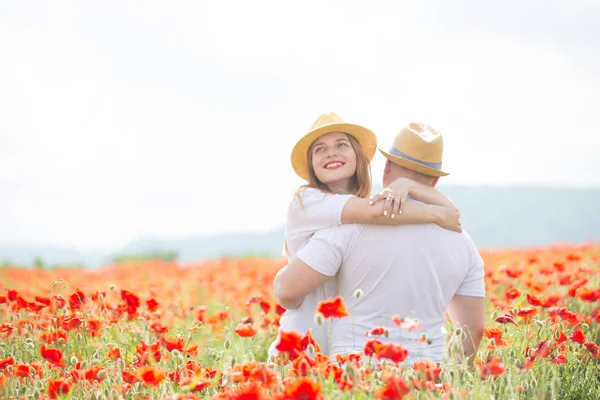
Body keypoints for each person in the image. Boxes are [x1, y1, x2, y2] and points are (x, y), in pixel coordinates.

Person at [274, 122, 486, 366]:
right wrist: (450, 377)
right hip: (429, 374)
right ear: (436, 182)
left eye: (341, 145)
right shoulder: (464, 242)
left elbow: (286, 290)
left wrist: (281, 279)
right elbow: (473, 331)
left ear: (386, 167)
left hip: (356, 373)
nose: (331, 153)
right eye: (320, 149)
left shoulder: (345, 229)